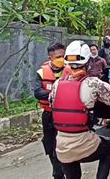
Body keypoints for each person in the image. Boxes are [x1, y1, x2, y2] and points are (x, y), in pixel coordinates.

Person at [49, 40, 110, 179]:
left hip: (62, 146)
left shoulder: (57, 84)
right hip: (83, 142)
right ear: (87, 63)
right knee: (107, 150)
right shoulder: (93, 83)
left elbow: (52, 104)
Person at [33, 43, 70, 179]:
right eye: (59, 56)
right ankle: (57, 173)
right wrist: (54, 95)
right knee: (50, 146)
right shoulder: (42, 73)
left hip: (65, 115)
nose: (62, 59)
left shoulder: (70, 70)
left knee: (66, 145)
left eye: (63, 56)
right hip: (49, 115)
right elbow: (38, 92)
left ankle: (69, 172)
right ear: (50, 57)